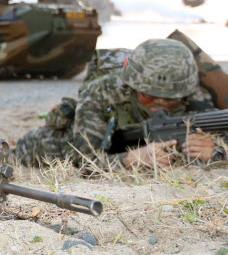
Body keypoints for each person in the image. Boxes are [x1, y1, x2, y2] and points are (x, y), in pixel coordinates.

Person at [13, 39, 226, 169]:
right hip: (56, 146)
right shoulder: (100, 92)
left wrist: (215, 150)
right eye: (149, 96)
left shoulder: (194, 95)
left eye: (171, 99)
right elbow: (82, 161)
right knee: (17, 152)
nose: (159, 103)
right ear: (132, 86)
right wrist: (130, 159)